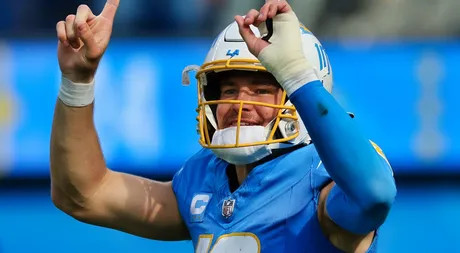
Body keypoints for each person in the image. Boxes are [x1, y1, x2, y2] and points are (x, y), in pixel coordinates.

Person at [50, 0, 397, 252]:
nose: (238, 104)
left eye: (261, 90)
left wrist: (295, 74)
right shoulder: (205, 178)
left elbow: (374, 196)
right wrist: (78, 80)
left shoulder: (319, 178)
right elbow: (83, 194)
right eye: (229, 89)